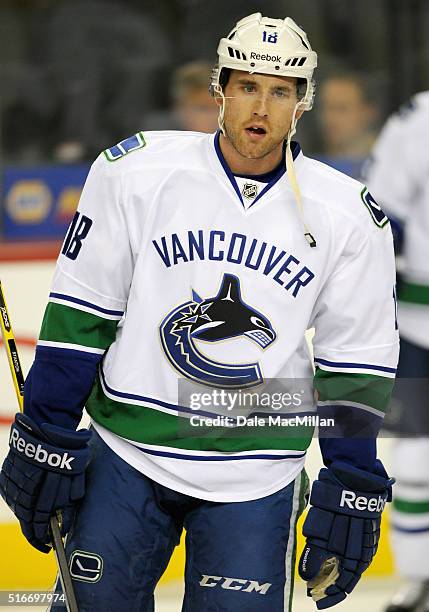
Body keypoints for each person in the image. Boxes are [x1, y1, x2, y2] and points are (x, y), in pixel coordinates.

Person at [0, 13, 398, 612]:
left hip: (257, 473)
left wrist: (352, 478)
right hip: (128, 452)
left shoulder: (347, 215)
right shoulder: (133, 173)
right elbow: (83, 313)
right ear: (219, 89)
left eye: (280, 91)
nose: (260, 107)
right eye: (246, 86)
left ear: (302, 102)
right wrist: (47, 428)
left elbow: (355, 362)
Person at [365, 93, 429, 612]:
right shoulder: (420, 119)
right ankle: (423, 580)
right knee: (416, 458)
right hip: (418, 323)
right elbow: (383, 214)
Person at [317, 72, 379, 178]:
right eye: (325, 107)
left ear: (368, 113)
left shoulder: (386, 164)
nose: (329, 118)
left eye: (341, 108)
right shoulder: (306, 162)